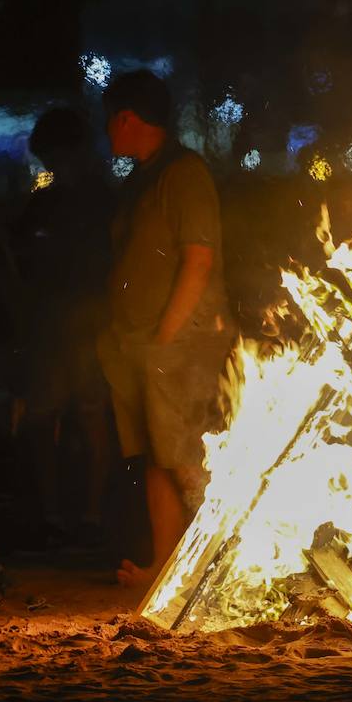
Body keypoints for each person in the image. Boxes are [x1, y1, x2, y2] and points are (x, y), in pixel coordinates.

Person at [96, 70, 235, 589]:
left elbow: (198, 261)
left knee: (185, 459)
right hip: (142, 345)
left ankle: (218, 568)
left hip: (180, 343)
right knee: (159, 456)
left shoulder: (184, 173)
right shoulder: (144, 176)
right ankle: (168, 568)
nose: (106, 130)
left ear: (127, 118)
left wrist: (165, 339)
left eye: (110, 118)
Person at [10, 107, 116, 551]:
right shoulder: (50, 201)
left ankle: (87, 516)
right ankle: (58, 515)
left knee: (87, 412)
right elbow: (22, 255)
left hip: (87, 319)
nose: (55, 166)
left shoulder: (103, 199)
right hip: (55, 322)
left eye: (56, 155)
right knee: (49, 414)